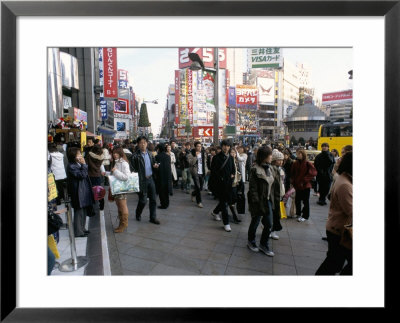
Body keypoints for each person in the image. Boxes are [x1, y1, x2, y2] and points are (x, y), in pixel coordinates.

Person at [315, 152, 352, 275]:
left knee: (335, 262)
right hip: (339, 230)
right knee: (334, 263)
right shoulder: (345, 185)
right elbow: (351, 210)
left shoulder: (344, 180)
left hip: (337, 228)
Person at [247, 146, 275, 256]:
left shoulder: (270, 168)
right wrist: (255, 202)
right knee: (255, 222)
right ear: (264, 156)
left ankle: (264, 244)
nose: (271, 157)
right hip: (258, 201)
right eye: (270, 155)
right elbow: (253, 188)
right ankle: (251, 241)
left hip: (268, 200)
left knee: (269, 223)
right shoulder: (255, 169)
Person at [130, 136, 161, 224]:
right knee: (143, 200)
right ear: (138, 144)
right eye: (141, 142)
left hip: (150, 179)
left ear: (147, 143)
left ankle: (153, 217)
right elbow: (132, 169)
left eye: (144, 142)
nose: (143, 144)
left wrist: (155, 166)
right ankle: (138, 213)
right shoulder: (135, 156)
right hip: (141, 180)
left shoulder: (150, 154)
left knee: (153, 199)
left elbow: (153, 163)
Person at [66, 147, 95, 237]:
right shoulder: (72, 166)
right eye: (78, 154)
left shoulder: (77, 164)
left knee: (84, 211)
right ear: (73, 156)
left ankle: (82, 228)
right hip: (77, 192)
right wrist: (84, 165)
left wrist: (83, 165)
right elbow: (81, 175)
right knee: (79, 212)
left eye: (80, 154)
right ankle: (78, 231)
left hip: (83, 190)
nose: (80, 156)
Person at [209, 140, 235, 232]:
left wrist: (232, 176)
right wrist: (221, 178)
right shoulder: (216, 158)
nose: (226, 147)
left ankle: (215, 212)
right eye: (224, 145)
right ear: (221, 146)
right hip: (219, 184)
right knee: (224, 203)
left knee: (226, 201)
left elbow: (233, 170)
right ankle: (226, 223)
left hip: (228, 184)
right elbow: (213, 171)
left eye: (228, 146)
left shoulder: (231, 158)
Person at [290, 148, 317, 222]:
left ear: (303, 154)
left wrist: (304, 180)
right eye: (297, 153)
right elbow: (292, 173)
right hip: (298, 185)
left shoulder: (307, 163)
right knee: (297, 200)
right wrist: (293, 181)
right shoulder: (295, 163)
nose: (298, 155)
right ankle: (298, 214)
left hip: (305, 185)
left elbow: (313, 173)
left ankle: (305, 216)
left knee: (305, 201)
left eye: (299, 153)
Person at [111, 147, 131, 233]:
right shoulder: (117, 162)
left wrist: (115, 171)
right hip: (117, 188)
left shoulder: (124, 163)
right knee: (119, 205)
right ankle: (121, 223)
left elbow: (126, 177)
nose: (115, 155)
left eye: (116, 153)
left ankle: (124, 224)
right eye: (113, 153)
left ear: (120, 153)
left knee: (122, 206)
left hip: (122, 188)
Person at [269, 150, 285, 240]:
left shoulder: (282, 170)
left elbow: (282, 183)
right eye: (279, 160)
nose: (281, 162)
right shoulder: (271, 169)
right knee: (271, 214)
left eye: (282, 160)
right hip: (272, 195)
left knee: (276, 214)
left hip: (279, 194)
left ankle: (273, 231)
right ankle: (269, 230)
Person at [85, 144, 105, 216]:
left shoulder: (89, 156)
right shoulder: (101, 157)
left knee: (90, 192)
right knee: (99, 190)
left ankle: (91, 211)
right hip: (98, 175)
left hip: (90, 175)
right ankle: (101, 204)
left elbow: (86, 165)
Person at [188, 141, 206, 208]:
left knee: (201, 188)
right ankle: (199, 202)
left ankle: (193, 193)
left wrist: (206, 170)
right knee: (198, 188)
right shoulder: (191, 154)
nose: (199, 148)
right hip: (195, 172)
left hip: (202, 172)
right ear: (195, 147)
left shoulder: (203, 153)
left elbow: (205, 162)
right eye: (198, 146)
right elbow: (191, 163)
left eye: (200, 146)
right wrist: (195, 156)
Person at [155, 143, 173, 209]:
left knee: (161, 191)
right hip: (167, 175)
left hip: (160, 176)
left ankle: (163, 204)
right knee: (166, 191)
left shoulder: (157, 156)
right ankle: (167, 203)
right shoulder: (168, 156)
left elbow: (156, 166)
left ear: (159, 149)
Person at [228, 148, 242, 224]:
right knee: (231, 201)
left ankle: (215, 212)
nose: (233, 154)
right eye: (232, 152)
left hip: (235, 183)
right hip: (230, 184)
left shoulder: (236, 161)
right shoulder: (228, 161)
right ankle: (235, 216)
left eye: (234, 152)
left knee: (229, 201)